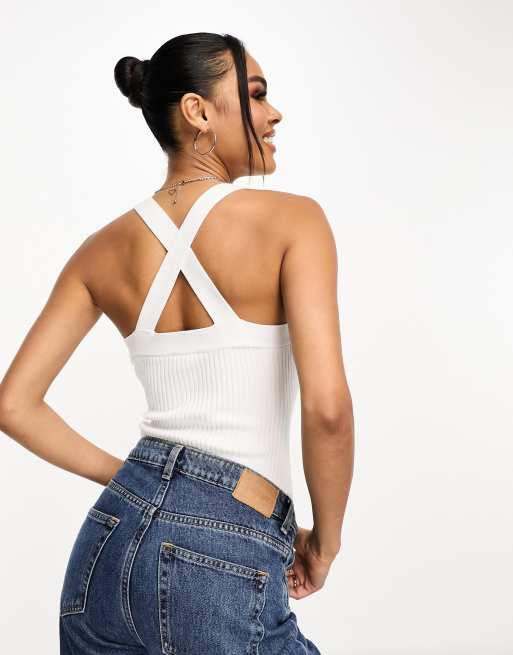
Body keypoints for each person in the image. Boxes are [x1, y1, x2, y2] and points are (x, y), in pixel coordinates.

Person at [0, 32, 354, 654]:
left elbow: (13, 404)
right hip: (223, 547)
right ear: (198, 111)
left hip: (107, 546)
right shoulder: (294, 221)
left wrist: (139, 481)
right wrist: (324, 543)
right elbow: (327, 410)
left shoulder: (101, 250)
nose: (274, 114)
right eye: (256, 94)